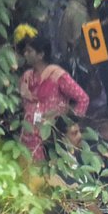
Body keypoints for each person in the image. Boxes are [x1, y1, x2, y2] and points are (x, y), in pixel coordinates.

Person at [16, 32, 89, 161]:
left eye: (29, 51)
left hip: (50, 141)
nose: (25, 54)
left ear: (41, 54)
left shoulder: (57, 76)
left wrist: (68, 124)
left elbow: (83, 99)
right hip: (27, 138)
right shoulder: (26, 77)